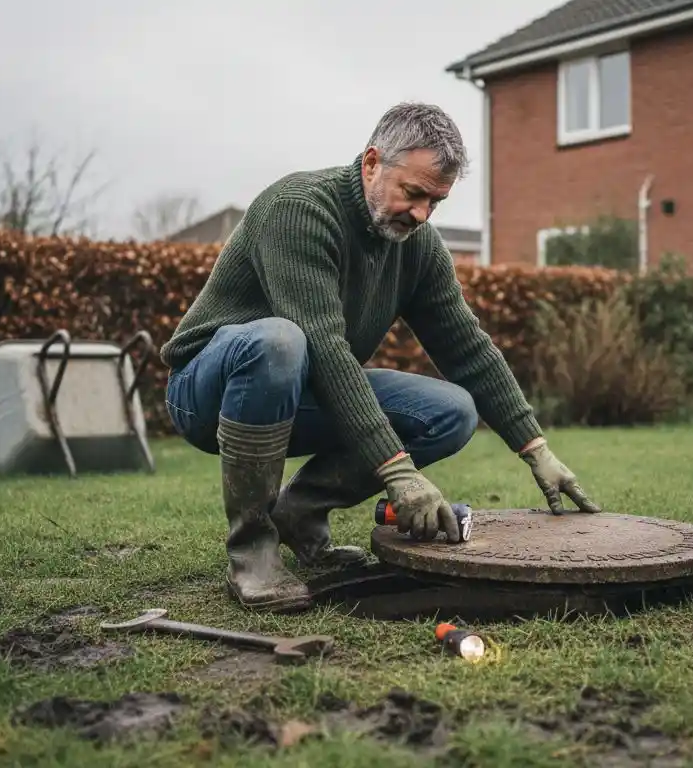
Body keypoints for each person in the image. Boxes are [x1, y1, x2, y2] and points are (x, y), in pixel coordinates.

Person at [159, 102, 601, 614]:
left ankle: (298, 514)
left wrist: (536, 448)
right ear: (371, 162)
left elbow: (467, 346)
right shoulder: (300, 210)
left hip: (300, 391)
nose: (421, 214)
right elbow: (323, 344)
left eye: (435, 202)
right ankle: (252, 550)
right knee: (279, 341)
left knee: (451, 411)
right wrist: (398, 471)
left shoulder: (418, 246)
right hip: (207, 391)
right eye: (412, 193)